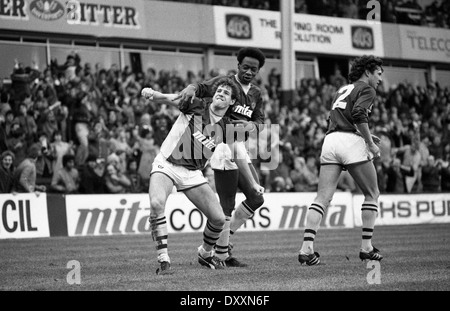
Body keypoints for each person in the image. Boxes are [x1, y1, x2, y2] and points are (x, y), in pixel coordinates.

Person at [141, 77, 264, 274]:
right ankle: (163, 258)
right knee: (156, 204)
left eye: (225, 93)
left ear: (232, 102)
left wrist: (252, 183)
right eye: (218, 91)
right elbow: (169, 99)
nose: (220, 93)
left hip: (192, 174)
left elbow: (237, 154)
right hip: (167, 164)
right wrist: (152, 94)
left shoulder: (227, 127)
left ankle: (205, 253)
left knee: (218, 218)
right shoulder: (196, 105)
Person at [177, 47, 266, 267]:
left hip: (240, 148)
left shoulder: (255, 94)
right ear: (238, 65)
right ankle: (222, 254)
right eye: (245, 67)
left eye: (253, 69)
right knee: (227, 204)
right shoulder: (225, 83)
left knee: (256, 197)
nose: (248, 72)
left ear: (257, 71)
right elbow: (200, 87)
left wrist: (251, 125)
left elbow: (261, 123)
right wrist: (190, 87)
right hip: (222, 147)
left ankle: (222, 244)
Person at [298, 55, 384, 265]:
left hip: (331, 140)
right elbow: (358, 113)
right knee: (372, 193)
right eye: (379, 74)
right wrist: (369, 143)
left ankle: (306, 249)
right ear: (368, 72)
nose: (380, 79)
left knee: (322, 198)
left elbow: (341, 117)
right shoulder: (368, 89)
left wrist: (363, 134)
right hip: (350, 142)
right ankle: (366, 248)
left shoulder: (342, 89)